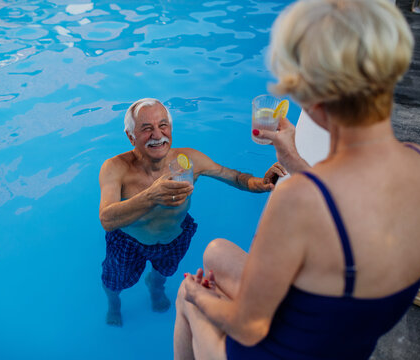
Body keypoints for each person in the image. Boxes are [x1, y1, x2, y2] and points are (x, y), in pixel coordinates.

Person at [174, 0, 420, 359]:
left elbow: (250, 326)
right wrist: (293, 160)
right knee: (216, 252)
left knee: (188, 295)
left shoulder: (296, 199)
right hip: (346, 336)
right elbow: (351, 210)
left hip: (285, 350)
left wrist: (202, 295)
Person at [99, 98, 287, 326]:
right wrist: (151, 196)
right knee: (114, 282)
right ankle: (113, 305)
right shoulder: (115, 167)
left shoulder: (189, 159)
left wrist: (260, 183)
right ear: (130, 136)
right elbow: (107, 219)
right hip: (128, 241)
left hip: (173, 236)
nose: (158, 135)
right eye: (146, 129)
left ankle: (155, 288)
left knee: (162, 273)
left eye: (163, 125)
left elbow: (233, 176)